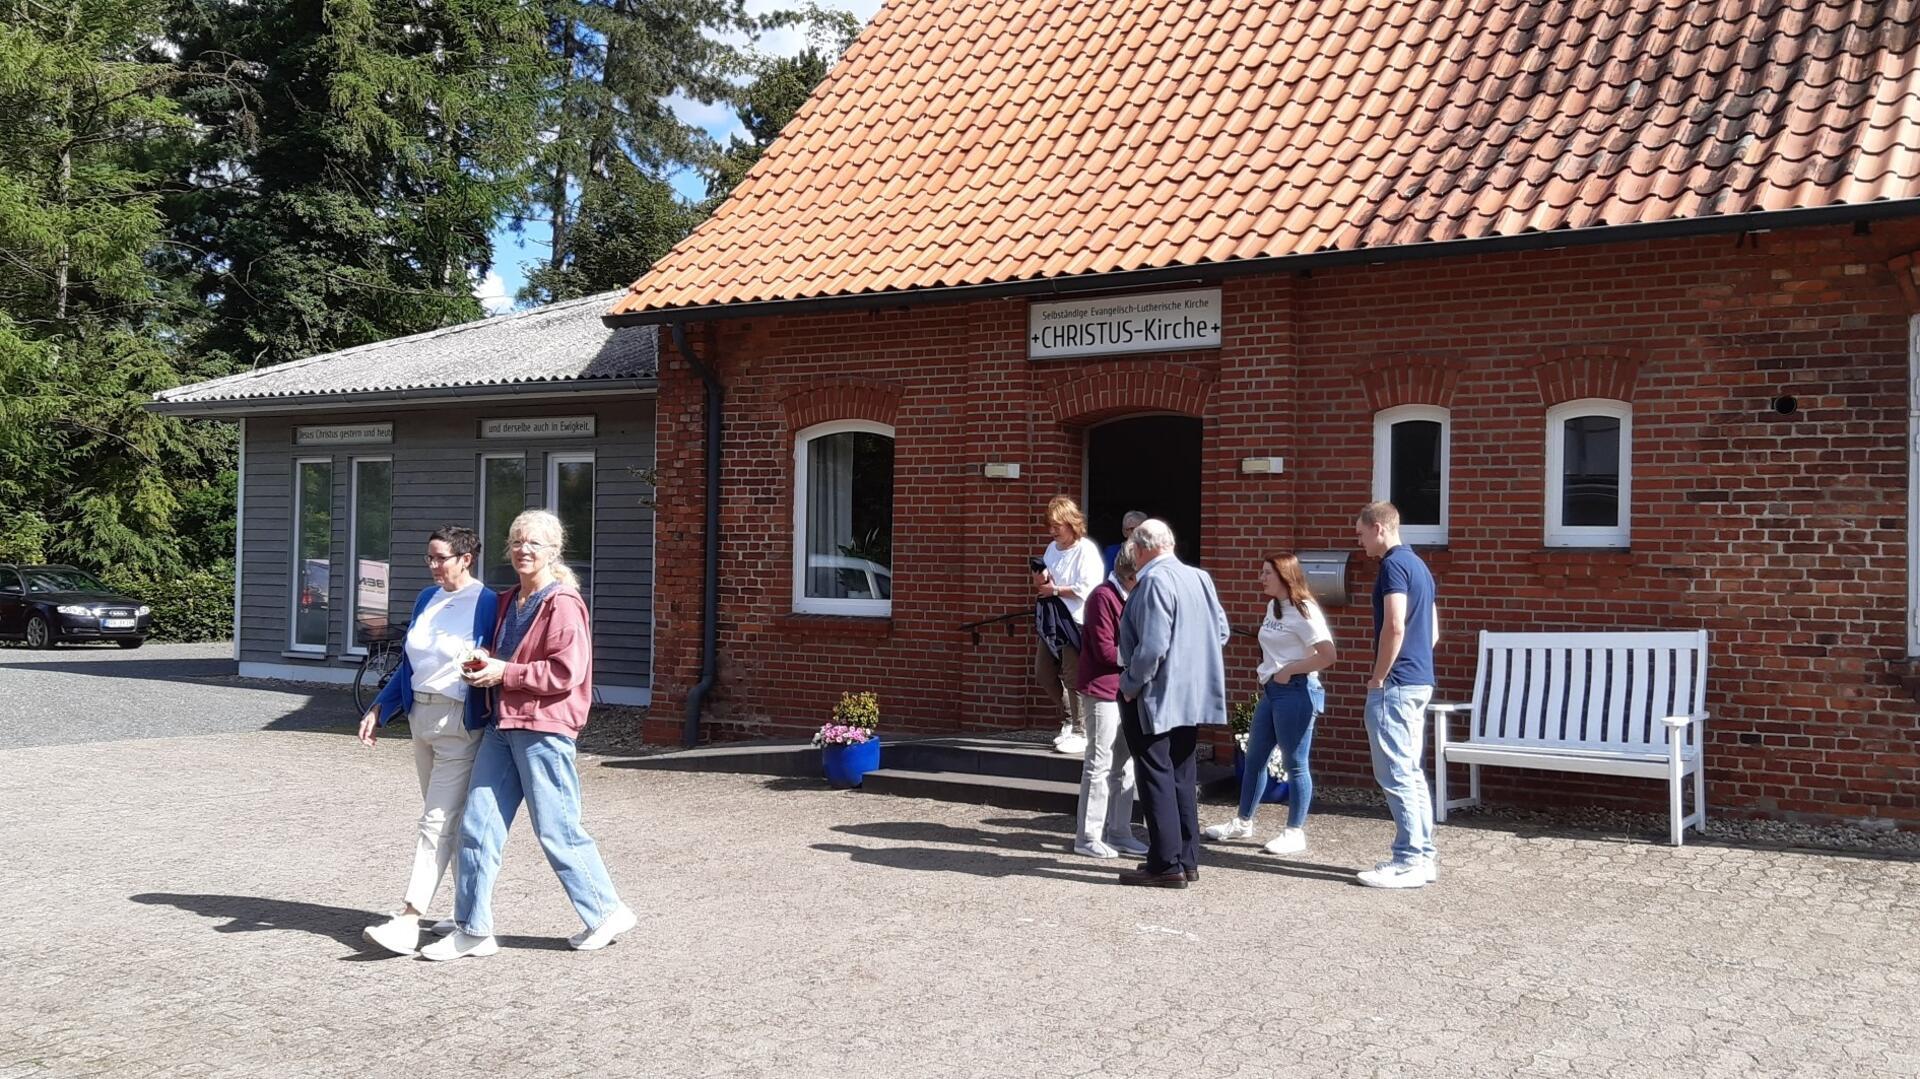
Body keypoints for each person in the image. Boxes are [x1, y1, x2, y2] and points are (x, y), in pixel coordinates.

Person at [421, 509, 635, 960]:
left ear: (552, 550)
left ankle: (607, 910)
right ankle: (473, 929)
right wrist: (482, 661)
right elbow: (501, 655)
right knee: (476, 826)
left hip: (543, 730)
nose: (523, 549)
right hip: (504, 725)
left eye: (534, 543)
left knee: (557, 829)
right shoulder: (509, 600)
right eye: (517, 541)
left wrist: (506, 672)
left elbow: (566, 672)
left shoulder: (562, 604)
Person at [358, 525, 501, 956]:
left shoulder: (487, 603)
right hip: (420, 718)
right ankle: (472, 919)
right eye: (430, 558)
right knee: (445, 822)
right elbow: (409, 665)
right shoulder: (427, 597)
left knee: (436, 822)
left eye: (441, 558)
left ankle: (408, 918)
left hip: (460, 722)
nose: (434, 566)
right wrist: (381, 707)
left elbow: (494, 658)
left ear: (465, 558)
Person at [1114, 519, 1231, 887]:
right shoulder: (1200, 578)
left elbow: (1151, 648)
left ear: (1142, 547)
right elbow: (1222, 631)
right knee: (1182, 773)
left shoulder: (1154, 582)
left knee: (1155, 777)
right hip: (1192, 694)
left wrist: (1130, 684)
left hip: (1155, 697)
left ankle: (1165, 864)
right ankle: (1186, 858)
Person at [1201, 553, 1335, 855]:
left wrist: (1289, 670)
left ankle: (1294, 831)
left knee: (1295, 764)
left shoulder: (1304, 610)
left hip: (1297, 692)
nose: (1261, 578)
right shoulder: (1274, 607)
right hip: (1273, 691)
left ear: (1285, 577)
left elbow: (1327, 655)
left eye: (1266, 574)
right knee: (1254, 758)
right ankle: (1243, 821)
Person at [1354, 501, 1440, 889]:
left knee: (1397, 774)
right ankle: (1423, 856)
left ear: (1379, 528)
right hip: (1420, 679)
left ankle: (1408, 861)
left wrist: (1378, 677)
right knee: (1411, 772)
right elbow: (1433, 631)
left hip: (1397, 684)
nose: (1360, 543)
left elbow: (1394, 624)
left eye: (1361, 534)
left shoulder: (1392, 567)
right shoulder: (1420, 566)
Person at [1070, 544, 1147, 859]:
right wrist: (1142, 658)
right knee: (1099, 764)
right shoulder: (1103, 597)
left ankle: (1119, 831)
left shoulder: (1129, 596)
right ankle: (1087, 836)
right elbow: (1104, 651)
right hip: (1102, 689)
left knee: (1123, 765)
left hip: (1125, 689)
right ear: (1130, 575)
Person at [1034, 496, 1104, 756]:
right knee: (1043, 671)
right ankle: (1068, 717)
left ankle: (1080, 730)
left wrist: (1056, 590)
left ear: (1071, 523)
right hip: (1052, 617)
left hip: (1075, 619)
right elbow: (1047, 581)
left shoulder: (1085, 550)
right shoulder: (1052, 549)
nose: (1053, 532)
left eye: (1057, 526)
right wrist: (1041, 582)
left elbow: (1089, 586)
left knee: (1073, 675)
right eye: (1050, 526)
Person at [1101, 509, 1148, 576]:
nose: (1137, 533)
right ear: (1124, 532)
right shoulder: (1112, 552)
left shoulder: (1151, 553)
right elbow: (1106, 578)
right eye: (1132, 529)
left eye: (1141, 529)